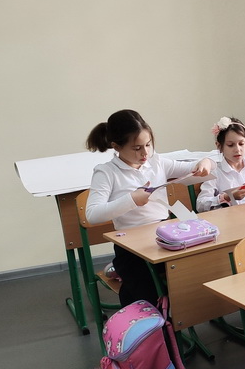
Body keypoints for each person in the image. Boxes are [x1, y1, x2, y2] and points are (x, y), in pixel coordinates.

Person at [85, 109, 213, 307]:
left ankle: (179, 315)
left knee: (192, 272)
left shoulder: (156, 162)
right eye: (137, 148)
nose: (145, 153)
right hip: (131, 244)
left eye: (148, 144)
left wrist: (205, 162)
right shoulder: (107, 172)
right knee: (143, 290)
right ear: (116, 146)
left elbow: (194, 167)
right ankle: (148, 318)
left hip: (164, 236)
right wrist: (132, 199)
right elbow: (92, 214)